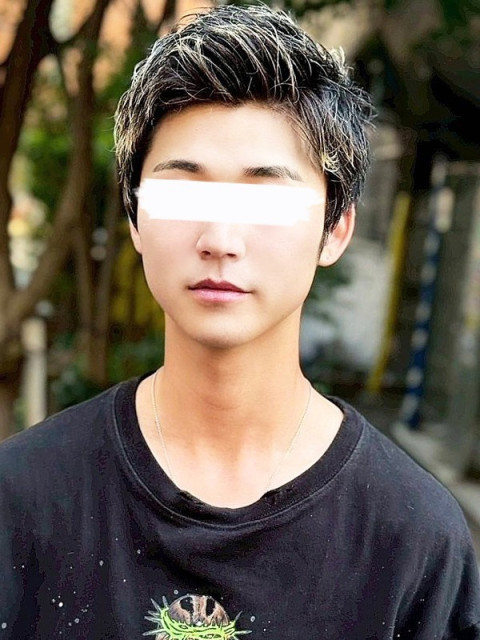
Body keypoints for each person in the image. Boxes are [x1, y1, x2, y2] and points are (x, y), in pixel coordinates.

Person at [0, 5, 479, 639]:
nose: (220, 239)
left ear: (336, 228)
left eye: (266, 198)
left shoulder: (414, 538)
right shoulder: (22, 499)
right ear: (136, 217)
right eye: (184, 192)